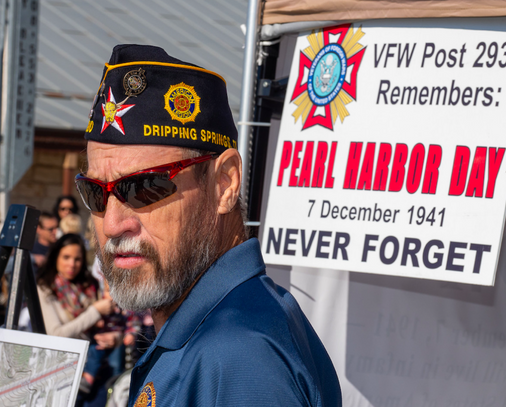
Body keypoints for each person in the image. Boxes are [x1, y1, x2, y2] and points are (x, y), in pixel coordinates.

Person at [77, 44, 341, 406]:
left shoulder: (239, 356)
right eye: (94, 192)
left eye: (143, 187)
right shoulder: (219, 329)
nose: (112, 223)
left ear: (224, 184)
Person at [36, 234, 117, 392]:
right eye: (66, 257)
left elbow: (110, 324)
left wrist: (116, 338)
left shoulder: (89, 285)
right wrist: (95, 311)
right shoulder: (45, 288)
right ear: (55, 257)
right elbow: (56, 334)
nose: (71, 264)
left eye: (77, 259)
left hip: (97, 370)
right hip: (63, 373)